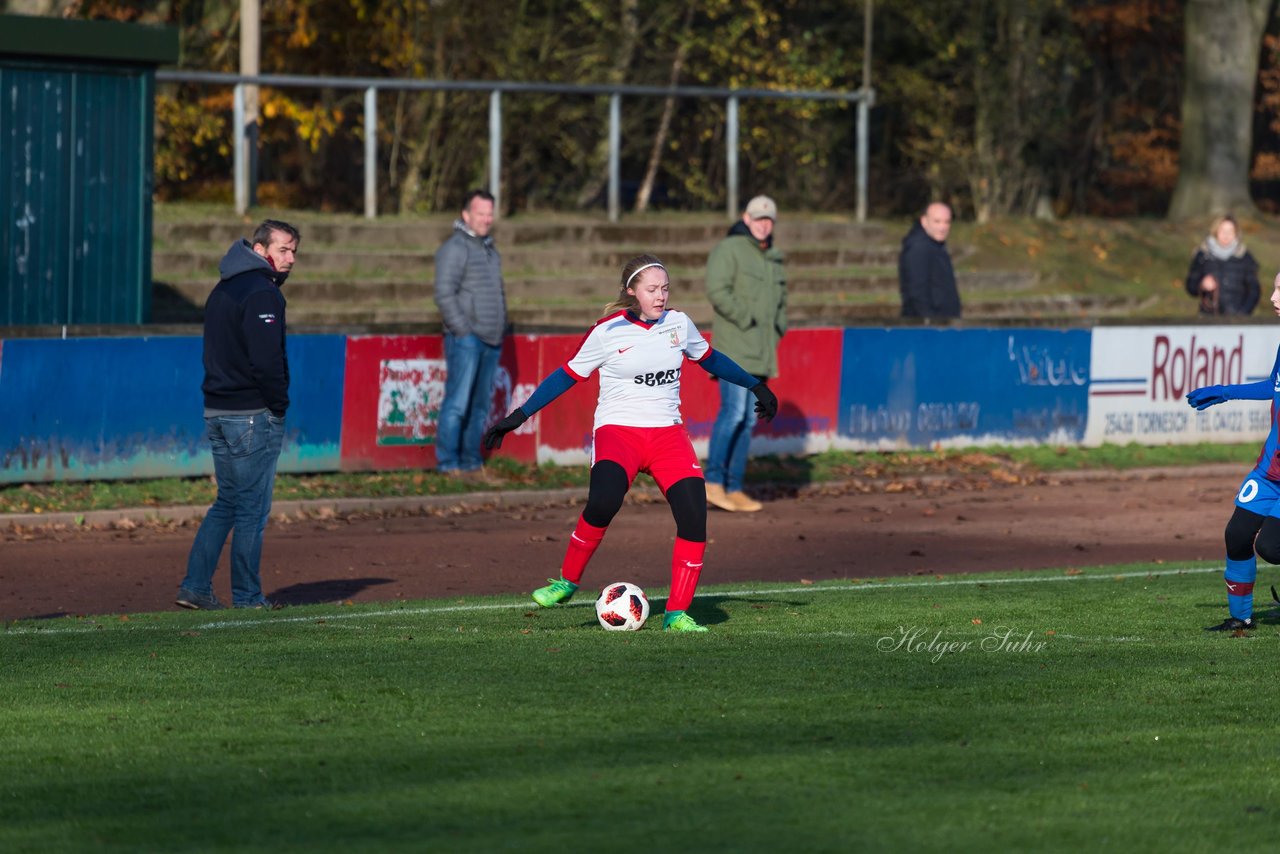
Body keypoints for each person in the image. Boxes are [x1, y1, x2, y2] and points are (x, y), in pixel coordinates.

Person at [482, 254, 778, 632]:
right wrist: (518, 417)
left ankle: (676, 615)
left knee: (694, 517)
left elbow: (710, 359)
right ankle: (566, 582)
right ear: (631, 291)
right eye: (652, 289)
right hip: (618, 432)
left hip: (668, 435)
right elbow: (566, 376)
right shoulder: (607, 332)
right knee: (603, 502)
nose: (660, 297)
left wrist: (755, 384)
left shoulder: (679, 324)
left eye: (665, 289)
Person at [176, 220, 300, 611]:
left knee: (228, 502)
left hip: (218, 410)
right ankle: (247, 597)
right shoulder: (262, 293)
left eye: (294, 251)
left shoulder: (223, 288)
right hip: (250, 415)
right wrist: (278, 405)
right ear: (261, 250)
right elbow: (266, 363)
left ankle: (195, 586)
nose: (291, 258)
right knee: (251, 509)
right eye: (283, 250)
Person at [1187, 272, 1280, 632]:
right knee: (1237, 535)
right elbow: (1272, 388)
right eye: (1273, 288)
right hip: (1269, 473)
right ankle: (1240, 617)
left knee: (1272, 548)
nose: (1273, 297)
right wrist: (1226, 392)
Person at [703, 194, 787, 513]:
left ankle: (734, 486)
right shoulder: (729, 249)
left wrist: (777, 328)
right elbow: (716, 290)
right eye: (758, 218)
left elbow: (782, 303)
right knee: (733, 413)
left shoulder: (773, 257)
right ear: (746, 218)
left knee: (749, 421)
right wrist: (746, 319)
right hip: (735, 349)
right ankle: (713, 482)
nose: (764, 225)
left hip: (761, 351)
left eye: (769, 220)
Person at [433, 189, 507, 476]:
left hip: (491, 338)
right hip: (467, 338)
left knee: (479, 406)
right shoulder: (454, 248)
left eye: (490, 213)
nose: (487, 219)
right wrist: (462, 331)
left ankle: (471, 462)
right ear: (466, 215)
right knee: (457, 403)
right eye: (481, 213)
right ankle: (448, 463)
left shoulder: (490, 248)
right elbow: (443, 293)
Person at [1185, 214, 1260, 316]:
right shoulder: (1203, 255)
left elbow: (1254, 291)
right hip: (1208, 317)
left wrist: (1243, 314)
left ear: (1236, 234)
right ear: (1215, 231)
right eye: (1223, 230)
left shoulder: (1245, 258)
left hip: (1236, 317)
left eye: (1230, 231)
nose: (1226, 235)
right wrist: (1202, 285)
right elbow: (1190, 287)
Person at [898, 201, 961, 319]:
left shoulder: (936, 246)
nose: (942, 227)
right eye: (937, 221)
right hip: (927, 327)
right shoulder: (919, 248)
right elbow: (917, 292)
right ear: (924, 221)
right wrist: (930, 323)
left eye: (947, 222)